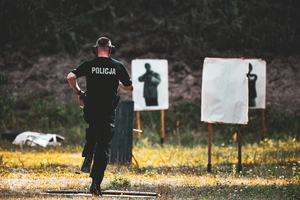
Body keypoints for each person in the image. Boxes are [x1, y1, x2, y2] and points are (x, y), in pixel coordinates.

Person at [67, 37, 134, 195]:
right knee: (103, 145)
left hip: (91, 108)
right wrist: (118, 84)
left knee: (92, 130)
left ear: (95, 49)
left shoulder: (88, 64)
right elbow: (130, 88)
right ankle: (96, 183)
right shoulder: (117, 66)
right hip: (107, 110)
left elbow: (70, 77)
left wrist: (79, 92)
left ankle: (88, 157)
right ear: (111, 49)